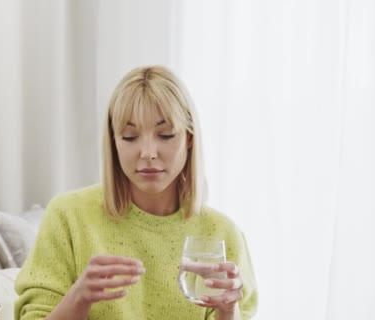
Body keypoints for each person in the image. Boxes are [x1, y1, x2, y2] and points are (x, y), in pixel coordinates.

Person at [14, 65, 258, 320]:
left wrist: (228, 311)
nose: (148, 152)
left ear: (189, 138)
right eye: (130, 137)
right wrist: (80, 297)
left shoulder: (222, 234)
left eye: (165, 135)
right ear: (114, 142)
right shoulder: (68, 216)